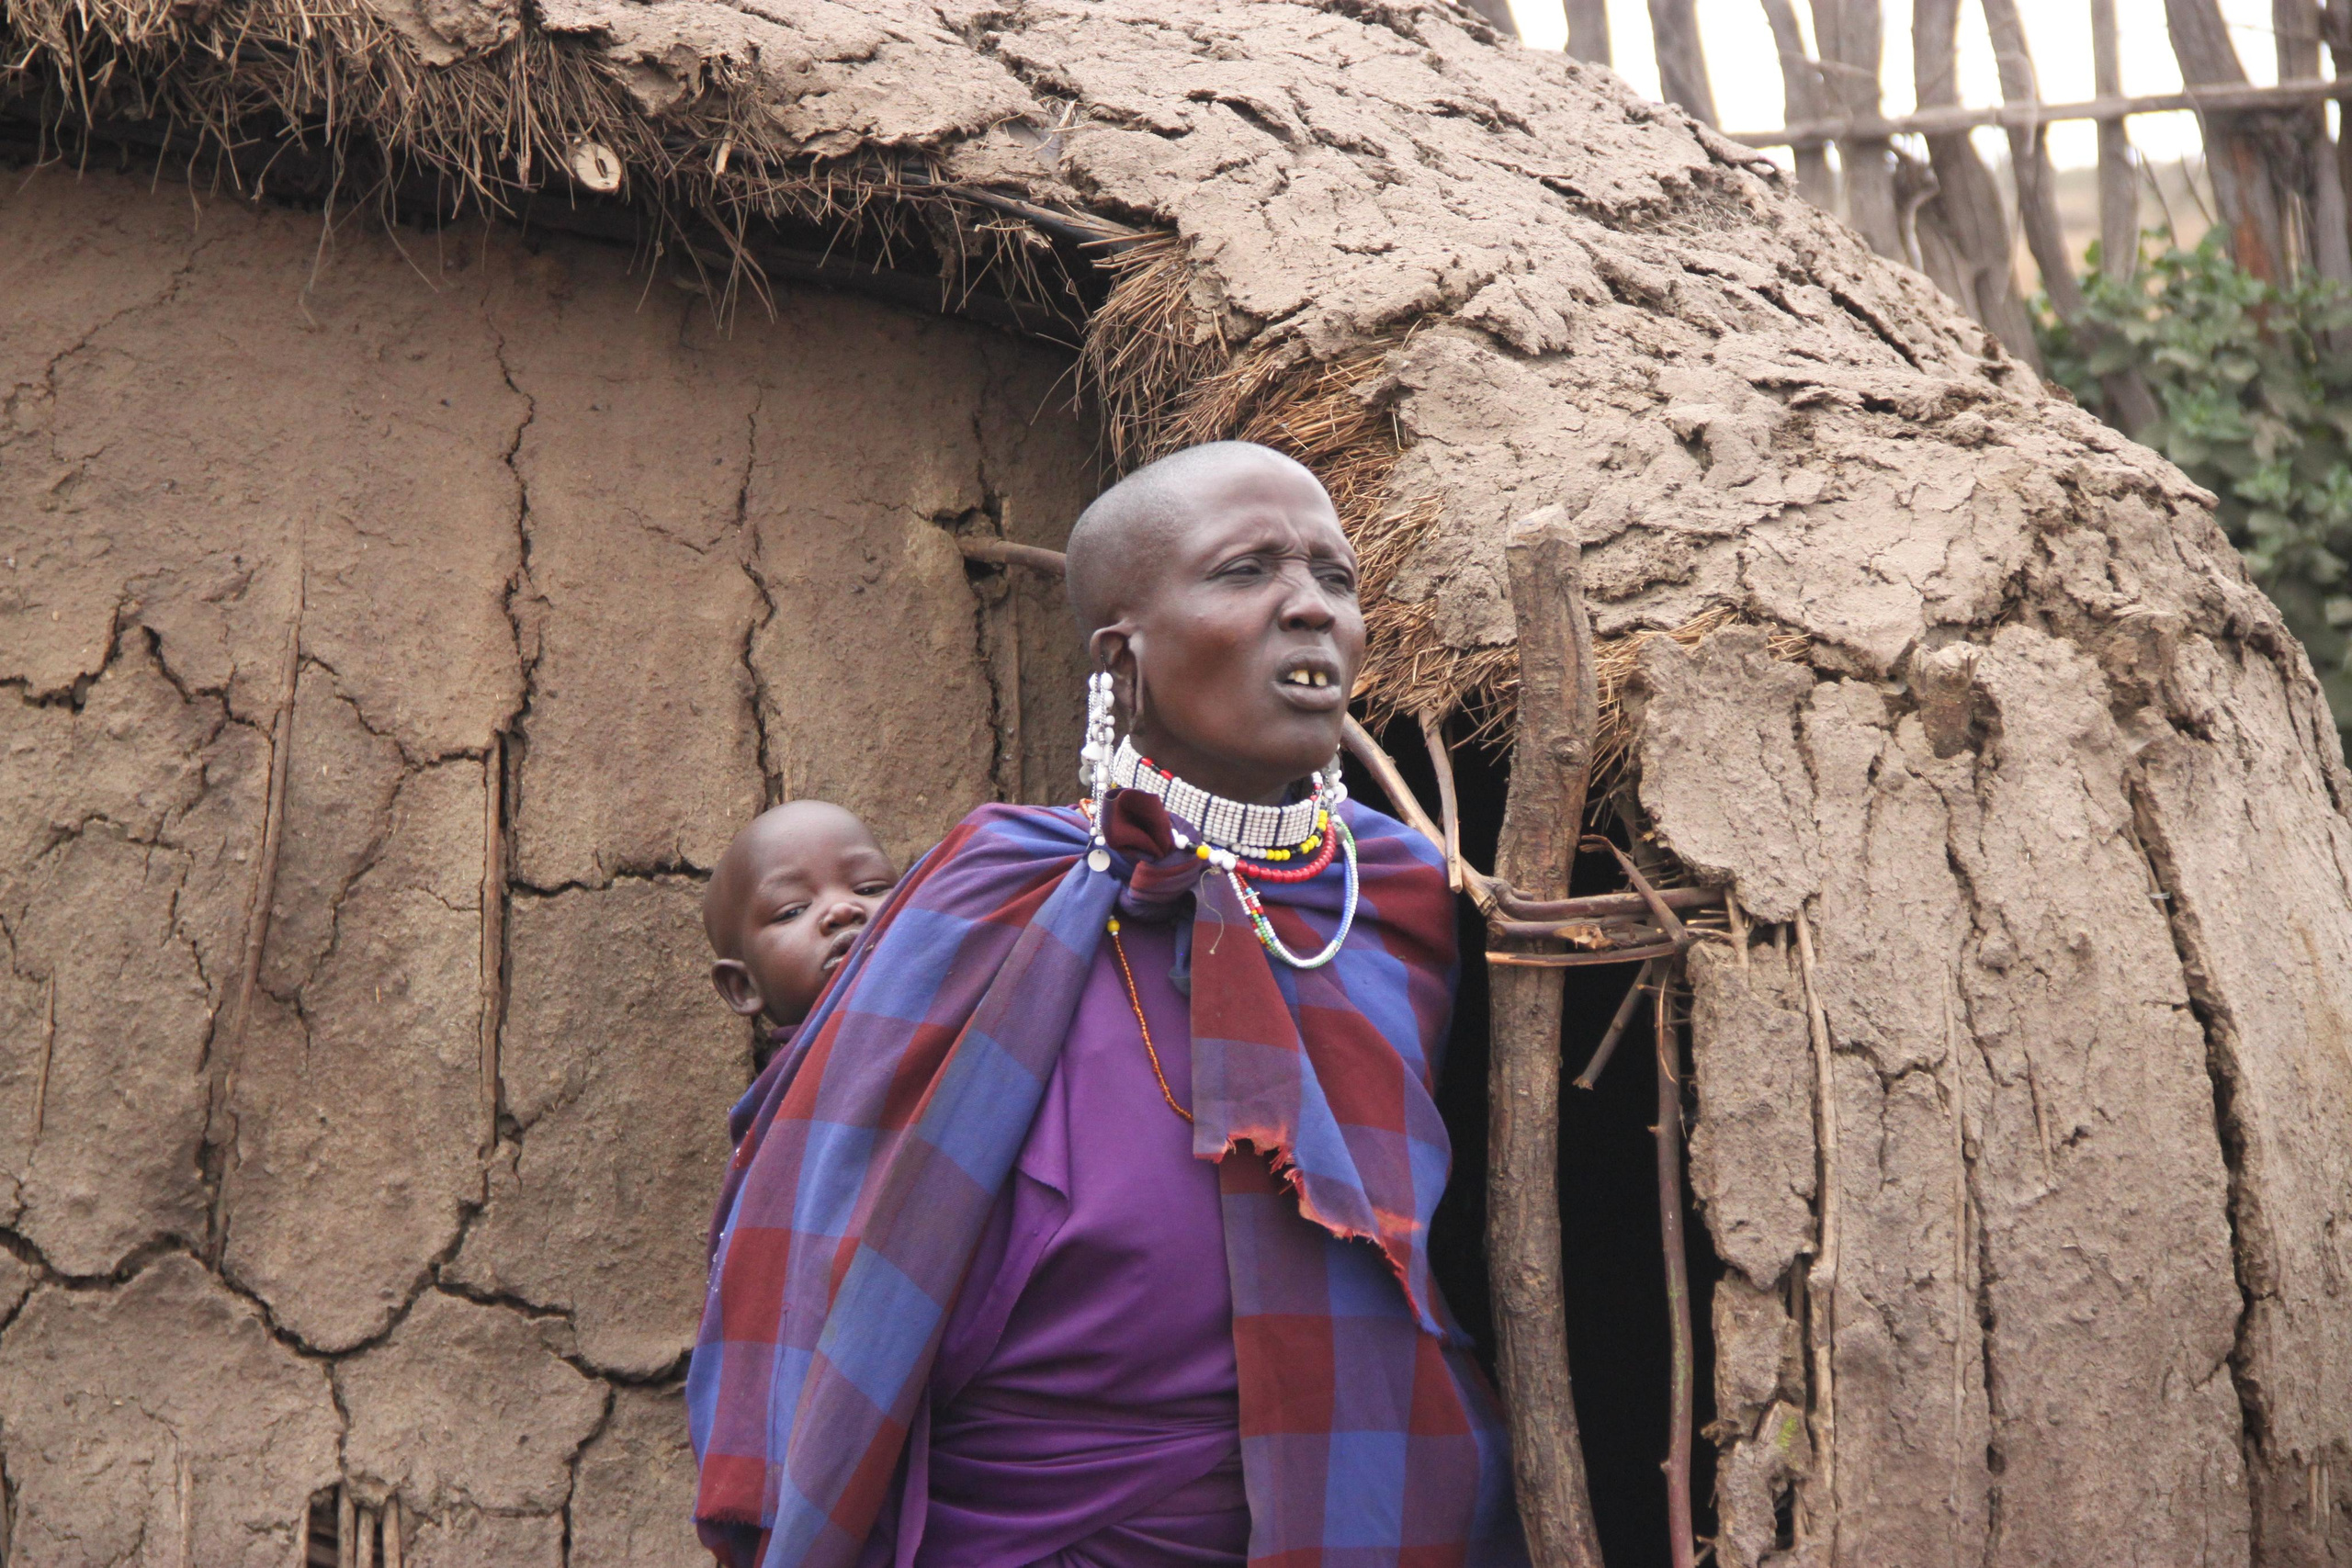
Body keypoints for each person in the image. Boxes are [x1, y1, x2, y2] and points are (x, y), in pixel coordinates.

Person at [689, 442, 1526, 1568]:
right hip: (1011, 1525)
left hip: (1344, 1504)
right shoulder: (995, 888)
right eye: (1246, 570)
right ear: (1121, 658)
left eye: (1334, 577)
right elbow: (820, 1214)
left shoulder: (1394, 899)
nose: (1310, 608)